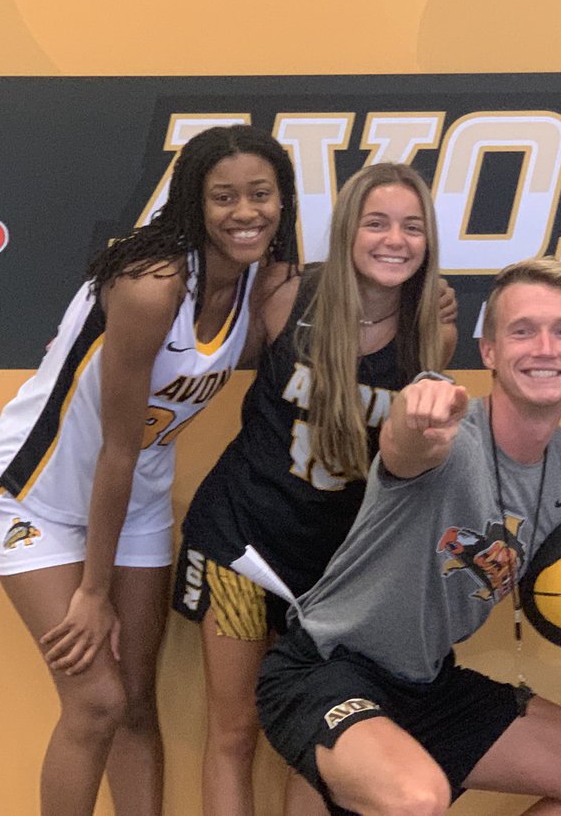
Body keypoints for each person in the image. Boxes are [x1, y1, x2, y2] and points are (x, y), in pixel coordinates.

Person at [256, 257, 561, 816]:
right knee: (417, 799)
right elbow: (405, 444)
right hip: (325, 668)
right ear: (489, 350)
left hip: (427, 684)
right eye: (522, 331)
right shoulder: (446, 435)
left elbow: (556, 597)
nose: (545, 348)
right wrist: (415, 414)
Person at [0, 124, 298, 816]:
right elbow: (116, 449)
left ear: (284, 200)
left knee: (136, 701)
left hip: (136, 504)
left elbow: (341, 316)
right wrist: (93, 592)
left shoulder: (265, 283)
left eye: (261, 194)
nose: (245, 212)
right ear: (194, 203)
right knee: (97, 702)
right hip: (37, 496)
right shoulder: (151, 285)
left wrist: (426, 299)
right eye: (224, 197)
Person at [172, 162, 456, 816]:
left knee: (319, 740)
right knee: (234, 731)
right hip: (245, 545)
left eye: (412, 227)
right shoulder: (287, 294)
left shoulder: (431, 330)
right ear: (348, 229)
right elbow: (202, 345)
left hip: (337, 569)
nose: (395, 240)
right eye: (377, 223)